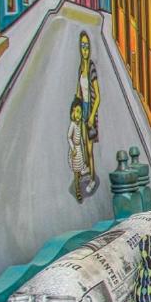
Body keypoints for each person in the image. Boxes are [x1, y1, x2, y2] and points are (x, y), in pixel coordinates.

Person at [75, 31, 101, 192]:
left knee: (90, 149)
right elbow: (79, 90)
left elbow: (98, 96)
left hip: (90, 111)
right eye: (82, 46)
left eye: (87, 46)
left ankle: (92, 178)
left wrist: (91, 116)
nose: (85, 49)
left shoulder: (91, 67)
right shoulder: (80, 68)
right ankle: (86, 168)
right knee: (84, 144)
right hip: (83, 108)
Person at [67, 98, 88, 201]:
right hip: (75, 150)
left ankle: (78, 181)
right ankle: (78, 190)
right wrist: (72, 148)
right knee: (76, 172)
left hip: (79, 149)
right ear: (73, 112)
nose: (79, 115)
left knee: (79, 169)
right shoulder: (73, 125)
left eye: (80, 112)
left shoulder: (80, 125)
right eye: (77, 112)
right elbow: (69, 137)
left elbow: (83, 138)